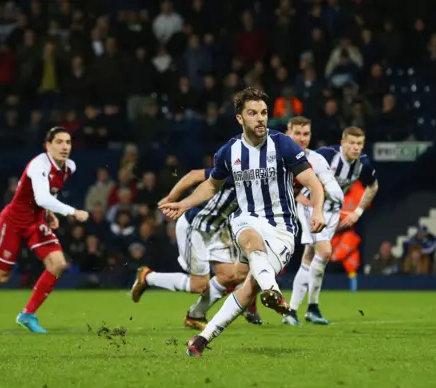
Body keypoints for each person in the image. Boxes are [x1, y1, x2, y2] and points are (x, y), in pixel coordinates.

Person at [159, 87, 327, 357]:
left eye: (264, 113)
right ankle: (273, 290)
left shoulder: (282, 144)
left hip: (283, 229)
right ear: (240, 118)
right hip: (246, 220)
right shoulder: (230, 151)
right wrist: (184, 202)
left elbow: (313, 183)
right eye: (253, 113)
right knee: (248, 236)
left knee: (248, 289)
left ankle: (202, 338)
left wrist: (318, 211)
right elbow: (211, 187)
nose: (260, 119)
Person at [0, 127, 90, 333]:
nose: (65, 147)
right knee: (0, 276)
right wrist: (72, 212)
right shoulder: (38, 165)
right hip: (12, 222)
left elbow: (49, 194)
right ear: (47, 146)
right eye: (59, 142)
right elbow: (41, 197)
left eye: (68, 142)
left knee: (57, 263)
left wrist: (48, 212)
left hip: (35, 222)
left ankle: (27, 315)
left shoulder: (69, 167)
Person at [129, 167, 263, 328]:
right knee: (199, 285)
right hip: (196, 226)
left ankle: (195, 315)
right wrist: (171, 197)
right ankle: (148, 277)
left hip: (217, 230)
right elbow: (195, 175)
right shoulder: (239, 171)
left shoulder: (265, 180)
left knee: (229, 276)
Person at [284, 126, 378, 325]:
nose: (355, 147)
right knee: (325, 252)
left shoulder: (364, 164)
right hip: (312, 206)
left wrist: (357, 212)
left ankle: (295, 311)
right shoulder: (326, 155)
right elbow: (301, 170)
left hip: (333, 211)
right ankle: (310, 307)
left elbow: (373, 186)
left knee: (310, 256)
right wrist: (298, 195)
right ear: (342, 142)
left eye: (359, 144)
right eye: (351, 143)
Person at [281, 116, 344, 325]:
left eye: (306, 134)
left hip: (309, 208)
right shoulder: (274, 155)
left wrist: (333, 195)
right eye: (297, 133)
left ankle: (296, 310)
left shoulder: (316, 160)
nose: (302, 138)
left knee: (313, 255)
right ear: (288, 132)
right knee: (319, 253)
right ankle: (304, 308)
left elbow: (332, 185)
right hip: (271, 214)